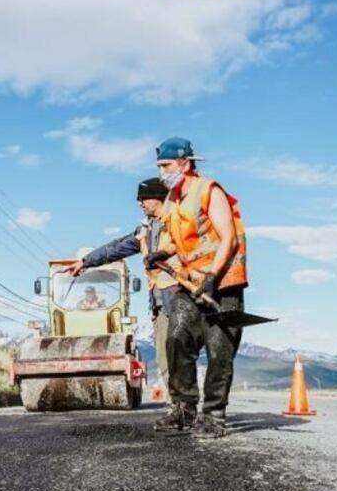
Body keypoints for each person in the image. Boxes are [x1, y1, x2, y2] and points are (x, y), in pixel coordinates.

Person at [151, 137, 248, 438]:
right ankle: (184, 408)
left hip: (223, 282)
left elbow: (228, 238)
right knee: (177, 337)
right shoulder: (172, 198)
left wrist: (212, 277)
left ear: (185, 162)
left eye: (166, 166)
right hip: (191, 282)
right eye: (160, 167)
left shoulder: (209, 190)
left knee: (220, 350)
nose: (162, 172)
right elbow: (176, 238)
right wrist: (162, 253)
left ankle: (214, 415)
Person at [65, 177, 180, 389]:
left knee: (182, 357)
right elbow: (117, 247)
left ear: (157, 198)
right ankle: (179, 409)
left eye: (143, 198)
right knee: (165, 359)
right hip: (160, 303)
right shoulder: (145, 230)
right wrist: (86, 261)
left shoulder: (178, 221)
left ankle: (198, 408)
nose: (139, 204)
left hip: (182, 298)